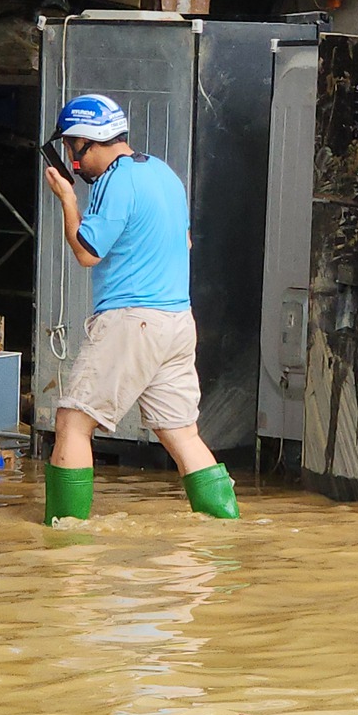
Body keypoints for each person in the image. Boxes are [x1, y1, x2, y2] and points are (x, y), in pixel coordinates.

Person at [40, 93, 238, 524]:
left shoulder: (117, 179)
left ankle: (63, 545)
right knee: (182, 433)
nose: (74, 161)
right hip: (177, 322)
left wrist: (67, 200)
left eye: (73, 149)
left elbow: (88, 252)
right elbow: (183, 241)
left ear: (85, 142)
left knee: (72, 423)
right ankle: (225, 531)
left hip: (134, 321)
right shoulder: (164, 174)